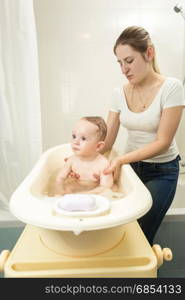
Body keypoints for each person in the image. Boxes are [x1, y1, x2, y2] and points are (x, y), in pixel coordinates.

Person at [101, 26, 185, 245]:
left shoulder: (172, 87)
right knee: (123, 228)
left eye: (129, 61)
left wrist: (120, 159)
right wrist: (80, 154)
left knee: (140, 235)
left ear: (149, 53)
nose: (124, 69)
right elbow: (107, 140)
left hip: (162, 171)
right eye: (119, 63)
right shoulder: (119, 92)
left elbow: (163, 143)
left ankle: (144, 276)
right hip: (131, 169)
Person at [53, 116, 114, 196]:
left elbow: (105, 187)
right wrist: (59, 192)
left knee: (112, 191)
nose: (75, 142)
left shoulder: (103, 164)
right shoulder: (71, 160)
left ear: (98, 146)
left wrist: (85, 194)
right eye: (74, 136)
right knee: (67, 188)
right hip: (75, 187)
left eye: (83, 138)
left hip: (93, 192)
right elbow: (60, 178)